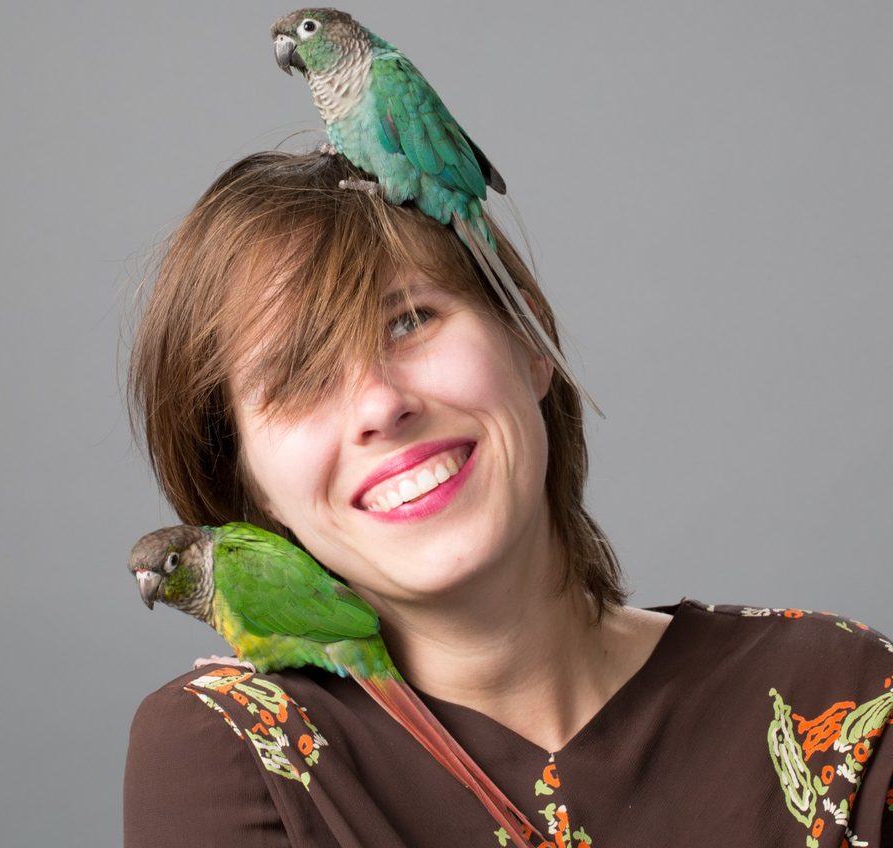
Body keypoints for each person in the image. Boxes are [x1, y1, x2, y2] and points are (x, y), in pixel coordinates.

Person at [123, 150, 893, 847]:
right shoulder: (232, 748)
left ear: (528, 341)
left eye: (409, 320)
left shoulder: (847, 696)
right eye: (296, 381)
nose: (379, 405)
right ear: (250, 489)